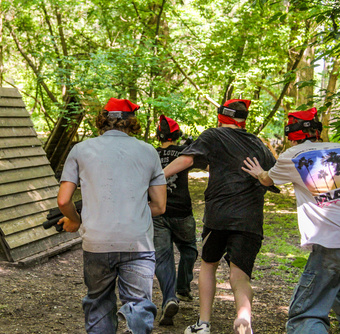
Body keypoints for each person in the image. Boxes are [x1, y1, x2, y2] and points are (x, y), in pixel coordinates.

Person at [162, 99, 276, 334]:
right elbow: (273, 177)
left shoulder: (213, 135)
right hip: (250, 219)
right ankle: (244, 319)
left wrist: (156, 177)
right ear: (243, 120)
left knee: (208, 265)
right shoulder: (259, 145)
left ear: (221, 118)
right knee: (240, 275)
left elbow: (187, 159)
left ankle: (203, 324)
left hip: (219, 217)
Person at [56, 97, 167, 334]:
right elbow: (159, 206)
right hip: (137, 242)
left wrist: (75, 220)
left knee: (98, 302)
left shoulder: (81, 150)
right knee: (139, 304)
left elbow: (63, 200)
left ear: (102, 120)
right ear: (132, 123)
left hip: (97, 241)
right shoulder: (149, 152)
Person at [242, 107, 340, 334]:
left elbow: (267, 180)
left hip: (330, 244)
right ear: (317, 130)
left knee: (306, 315)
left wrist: (258, 171)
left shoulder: (293, 157)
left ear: (290, 133)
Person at [153, 115, 198, 326]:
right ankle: (183, 287)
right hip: (182, 212)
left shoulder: (151, 154)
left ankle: (169, 299)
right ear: (176, 134)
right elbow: (209, 167)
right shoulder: (183, 152)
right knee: (189, 249)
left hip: (157, 212)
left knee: (163, 258)